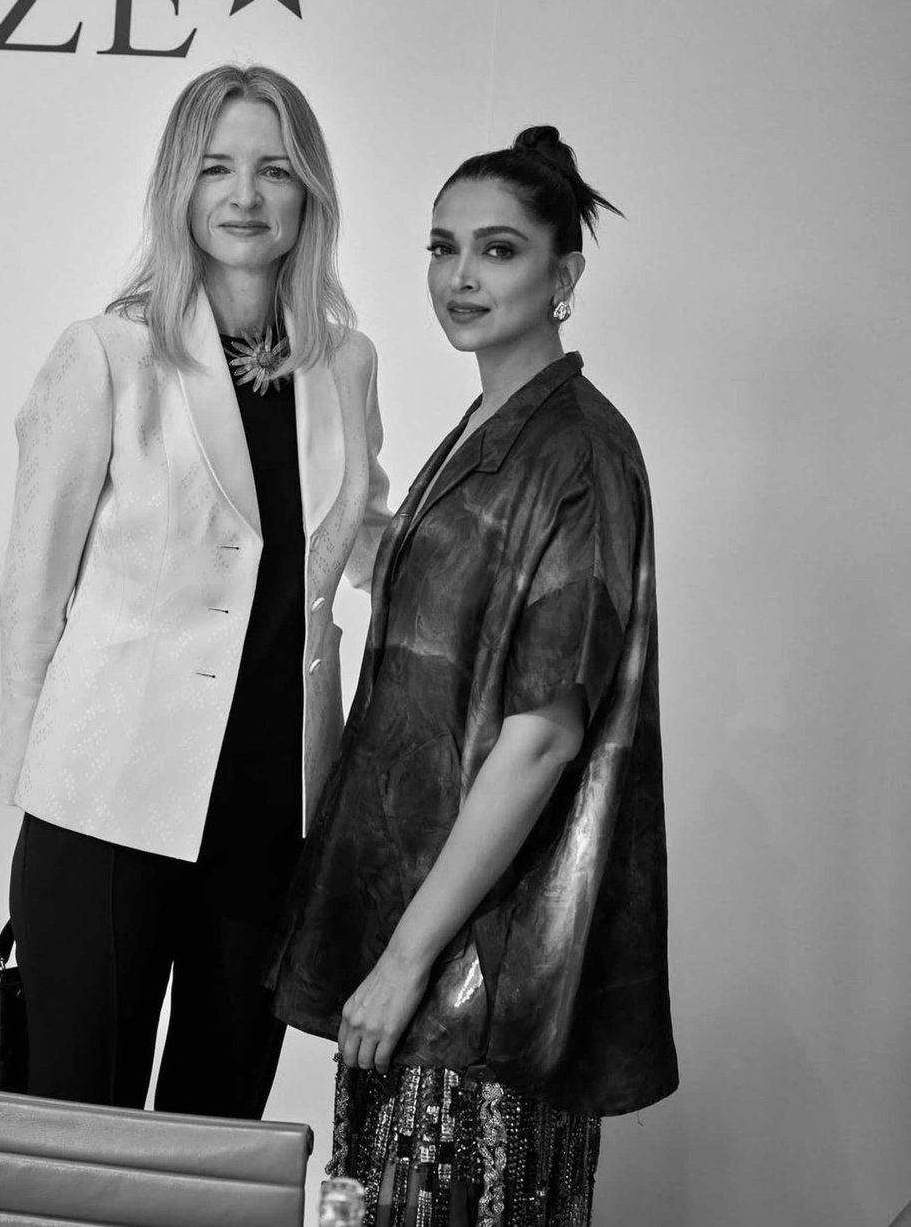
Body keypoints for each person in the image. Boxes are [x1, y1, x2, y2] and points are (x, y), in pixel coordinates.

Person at [270, 127, 678, 1225]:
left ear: (564, 275)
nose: (459, 276)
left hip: (475, 975)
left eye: (497, 250)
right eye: (442, 247)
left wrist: (407, 960)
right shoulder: (480, 427)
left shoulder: (579, 454)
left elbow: (540, 737)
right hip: (413, 937)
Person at [0, 64, 390, 1117]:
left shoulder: (345, 365)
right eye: (216, 167)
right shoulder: (108, 354)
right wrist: (40, 790)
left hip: (273, 821)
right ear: (178, 185)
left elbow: (363, 533)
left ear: (309, 191)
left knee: (215, 1138)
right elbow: (32, 593)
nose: (245, 194)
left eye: (273, 168)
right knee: (80, 1126)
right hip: (105, 811)